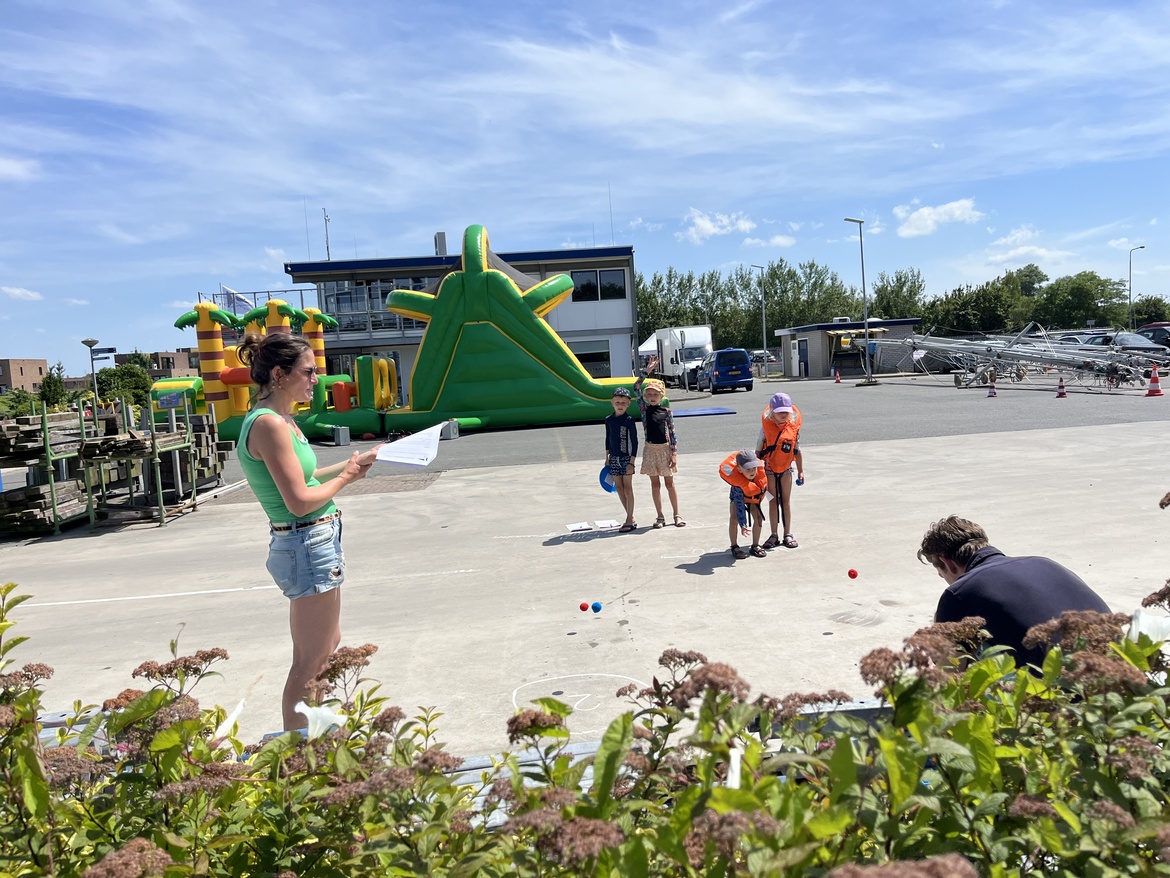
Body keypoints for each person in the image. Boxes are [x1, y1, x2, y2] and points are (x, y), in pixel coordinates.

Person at [236, 333, 383, 730]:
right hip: (305, 540)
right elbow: (299, 501)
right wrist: (347, 479)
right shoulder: (269, 424)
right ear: (279, 374)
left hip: (312, 539)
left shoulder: (281, 420)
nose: (316, 380)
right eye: (308, 371)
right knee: (310, 660)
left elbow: (306, 475)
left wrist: (350, 465)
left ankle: (312, 733)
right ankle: (299, 750)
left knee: (327, 645)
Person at [918, 515, 1111, 668]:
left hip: (1065, 693)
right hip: (1119, 670)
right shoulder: (1044, 562)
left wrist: (931, 663)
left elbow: (951, 678)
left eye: (942, 575)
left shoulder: (958, 593)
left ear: (947, 563)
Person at [633, 355, 685, 528]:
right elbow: (635, 387)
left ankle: (677, 514)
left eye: (655, 394)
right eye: (649, 394)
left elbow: (672, 432)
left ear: (661, 396)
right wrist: (647, 371)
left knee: (669, 483)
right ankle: (660, 516)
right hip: (650, 449)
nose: (652, 397)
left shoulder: (666, 411)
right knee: (655, 485)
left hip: (665, 449)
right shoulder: (644, 409)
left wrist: (674, 453)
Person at [756, 391, 804, 550]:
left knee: (786, 501)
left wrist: (801, 471)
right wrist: (756, 473)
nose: (783, 415)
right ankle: (774, 534)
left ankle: (788, 533)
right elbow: (758, 450)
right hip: (769, 471)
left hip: (786, 471)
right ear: (772, 412)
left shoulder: (793, 429)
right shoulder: (765, 429)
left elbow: (797, 451)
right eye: (779, 412)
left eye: (786, 412)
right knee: (772, 501)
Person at [719, 448, 769, 559]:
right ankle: (734, 546)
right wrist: (743, 525)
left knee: (758, 518)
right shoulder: (737, 483)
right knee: (734, 519)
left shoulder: (758, 475)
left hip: (752, 497)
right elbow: (739, 507)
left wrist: (772, 498)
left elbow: (764, 488)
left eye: (754, 468)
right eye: (748, 469)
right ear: (739, 469)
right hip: (738, 497)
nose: (752, 471)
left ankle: (755, 545)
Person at [604, 387, 639, 532]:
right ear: (612, 403)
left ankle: (629, 519)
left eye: (623, 403)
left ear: (628, 404)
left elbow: (634, 442)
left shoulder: (629, 420)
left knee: (628, 488)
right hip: (614, 458)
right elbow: (608, 438)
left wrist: (632, 462)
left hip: (626, 458)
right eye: (617, 402)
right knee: (619, 488)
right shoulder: (608, 420)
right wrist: (607, 457)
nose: (620, 405)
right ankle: (630, 516)